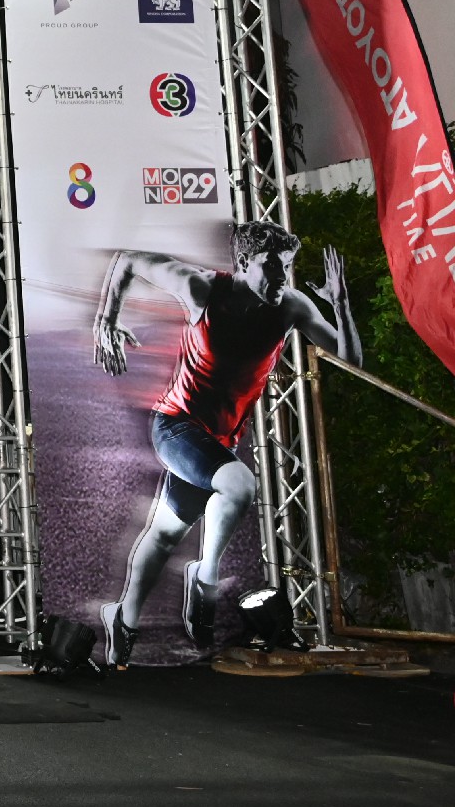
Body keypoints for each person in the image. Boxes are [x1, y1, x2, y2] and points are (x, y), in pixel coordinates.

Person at [93, 220, 360, 664]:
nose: (282, 277)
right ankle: (206, 577)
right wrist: (107, 319)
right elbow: (128, 260)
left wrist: (342, 306)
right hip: (176, 426)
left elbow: (351, 360)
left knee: (164, 534)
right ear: (243, 262)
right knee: (239, 485)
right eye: (271, 266)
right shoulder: (201, 289)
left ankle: (123, 616)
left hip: (217, 442)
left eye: (287, 266)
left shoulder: (291, 306)